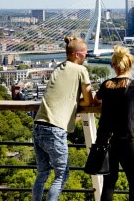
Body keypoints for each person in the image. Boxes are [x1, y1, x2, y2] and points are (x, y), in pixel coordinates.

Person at [93, 45, 134, 201]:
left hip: (105, 138)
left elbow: (96, 100)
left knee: (109, 182)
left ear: (113, 66)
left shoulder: (106, 84)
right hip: (125, 139)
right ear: (130, 65)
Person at [32, 36, 93, 201]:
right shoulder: (81, 70)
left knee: (43, 173)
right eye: (85, 55)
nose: (86, 58)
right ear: (76, 54)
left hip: (38, 126)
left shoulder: (58, 67)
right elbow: (89, 101)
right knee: (62, 175)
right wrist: (78, 101)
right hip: (55, 130)